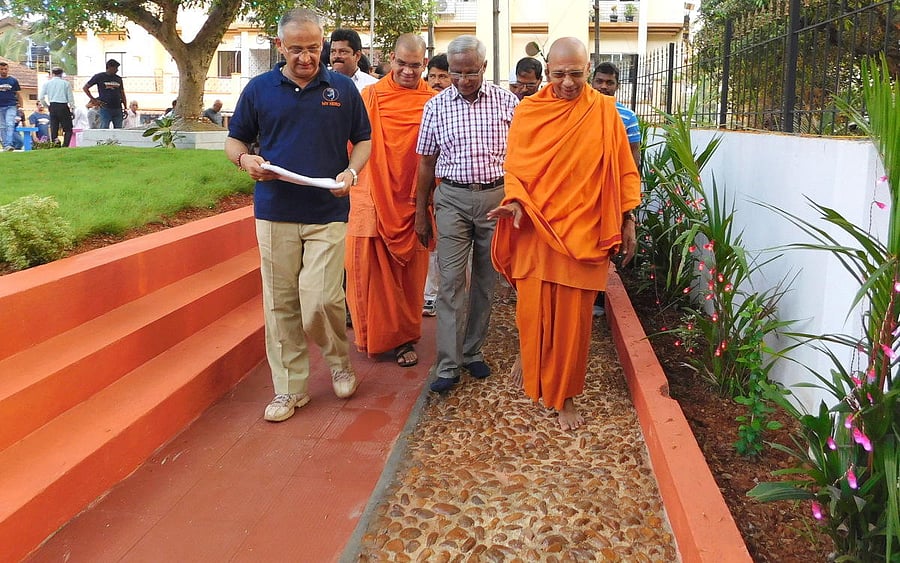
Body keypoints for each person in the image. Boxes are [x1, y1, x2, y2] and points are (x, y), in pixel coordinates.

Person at [225, 8, 372, 422]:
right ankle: (290, 389)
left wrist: (351, 172)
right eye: (296, 49)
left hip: (328, 209)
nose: (306, 57)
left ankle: (338, 362)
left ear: (323, 44)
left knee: (321, 298)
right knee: (280, 303)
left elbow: (363, 140)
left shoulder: (342, 88)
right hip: (275, 210)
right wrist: (245, 160)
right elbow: (235, 141)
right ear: (279, 46)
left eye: (313, 48)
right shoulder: (259, 89)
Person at [488, 38, 641, 430]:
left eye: (576, 74)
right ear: (547, 72)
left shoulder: (605, 112)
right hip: (536, 227)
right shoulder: (529, 112)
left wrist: (628, 219)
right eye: (559, 74)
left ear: (588, 68)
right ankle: (532, 361)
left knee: (574, 324)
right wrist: (514, 202)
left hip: (585, 231)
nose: (568, 82)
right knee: (532, 313)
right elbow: (515, 168)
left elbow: (624, 170)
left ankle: (566, 396)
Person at [414, 35, 519, 393]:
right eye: (455, 72)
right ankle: (447, 364)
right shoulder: (436, 107)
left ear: (484, 67)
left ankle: (473, 351)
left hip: (496, 198)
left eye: (470, 72)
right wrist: (421, 212)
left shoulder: (507, 102)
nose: (462, 80)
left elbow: (521, 156)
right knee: (451, 282)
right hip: (452, 198)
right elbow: (426, 163)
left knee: (486, 281)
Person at [345, 34, 434, 368]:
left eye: (415, 65)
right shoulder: (370, 97)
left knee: (409, 275)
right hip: (372, 194)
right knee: (367, 270)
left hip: (414, 200)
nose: (408, 71)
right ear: (391, 60)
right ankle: (374, 336)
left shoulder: (434, 101)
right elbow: (351, 146)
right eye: (402, 63)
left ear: (425, 64)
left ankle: (404, 338)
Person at [591, 61, 642, 316]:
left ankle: (598, 295)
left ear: (617, 86)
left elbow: (633, 159)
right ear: (591, 81)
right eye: (599, 81)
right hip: (585, 191)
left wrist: (629, 201)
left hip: (611, 191)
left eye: (609, 82)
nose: (603, 86)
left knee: (606, 243)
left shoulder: (627, 117)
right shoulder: (580, 112)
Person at [420, 52, 452, 317]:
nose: (437, 81)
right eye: (432, 76)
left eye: (443, 76)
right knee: (427, 242)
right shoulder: (425, 105)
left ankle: (436, 294)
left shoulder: (452, 107)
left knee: (443, 245)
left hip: (449, 187)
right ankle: (428, 294)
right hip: (417, 182)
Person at [83, 59, 127, 129]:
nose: (117, 70)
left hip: (118, 107)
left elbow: (122, 93)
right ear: (109, 67)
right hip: (105, 108)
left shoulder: (118, 79)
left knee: (118, 129)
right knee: (104, 128)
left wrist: (125, 107)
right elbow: (85, 88)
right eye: (115, 68)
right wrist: (94, 100)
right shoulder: (99, 77)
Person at [39, 67, 75, 147]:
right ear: (61, 74)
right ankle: (65, 145)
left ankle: (56, 144)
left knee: (54, 127)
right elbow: (70, 98)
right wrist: (72, 109)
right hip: (63, 106)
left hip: (53, 105)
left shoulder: (47, 83)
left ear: (52, 74)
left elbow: (41, 97)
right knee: (68, 129)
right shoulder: (66, 83)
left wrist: (47, 106)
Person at [0, 60, 23, 151]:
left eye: (5, 69)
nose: (3, 71)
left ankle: (9, 144)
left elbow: (18, 94)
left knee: (10, 124)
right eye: (1, 69)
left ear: (8, 69)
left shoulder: (13, 80)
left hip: (11, 105)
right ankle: (5, 145)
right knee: (2, 126)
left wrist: (21, 107)